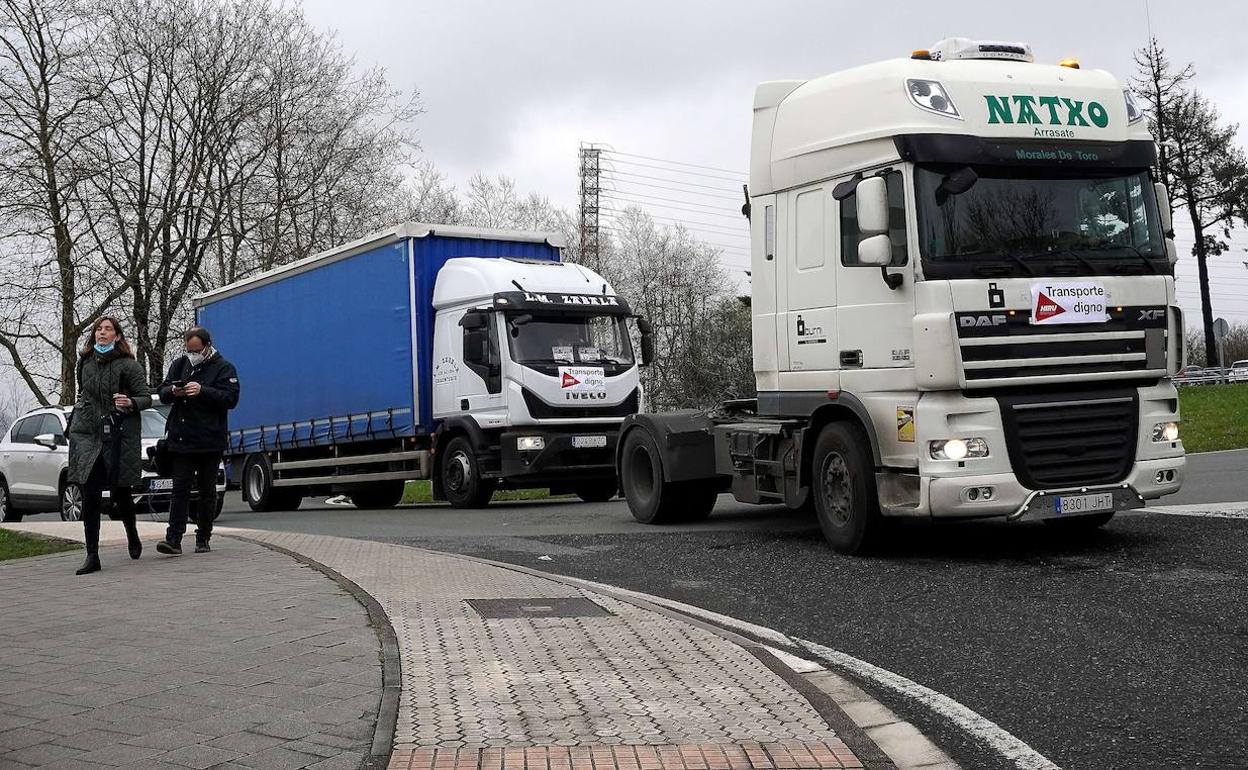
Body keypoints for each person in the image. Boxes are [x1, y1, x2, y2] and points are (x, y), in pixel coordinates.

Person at [67, 317, 152, 575]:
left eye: (107, 329)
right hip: (89, 433)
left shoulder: (129, 365)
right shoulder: (85, 363)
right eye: (98, 329)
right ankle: (92, 555)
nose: (101, 333)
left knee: (121, 493)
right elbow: (83, 394)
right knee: (90, 493)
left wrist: (130, 402)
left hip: (118, 433)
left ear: (117, 336)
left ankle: (132, 534)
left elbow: (146, 397)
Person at [155, 327, 240, 555]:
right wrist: (174, 391)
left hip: (209, 441)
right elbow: (162, 391)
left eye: (196, 350)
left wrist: (203, 391)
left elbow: (230, 398)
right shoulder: (179, 365)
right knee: (179, 489)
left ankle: (203, 537)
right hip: (182, 439)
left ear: (207, 346)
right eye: (189, 350)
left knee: (206, 490)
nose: (193, 355)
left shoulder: (224, 368)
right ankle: (173, 539)